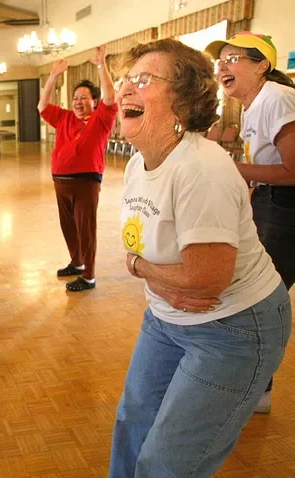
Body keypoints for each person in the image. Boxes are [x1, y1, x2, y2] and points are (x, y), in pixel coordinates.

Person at [111, 38, 291, 477]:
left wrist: (138, 267)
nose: (126, 89)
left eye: (144, 80)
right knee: (132, 426)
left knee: (168, 462)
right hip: (165, 317)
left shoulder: (200, 167)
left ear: (185, 100)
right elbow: (147, 251)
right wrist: (155, 275)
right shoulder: (138, 164)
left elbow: (205, 280)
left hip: (232, 328)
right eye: (126, 79)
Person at [206, 31, 295, 415]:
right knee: (253, 298)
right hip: (271, 204)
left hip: (287, 207)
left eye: (233, 58)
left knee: (254, 299)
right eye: (220, 61)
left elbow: (293, 171)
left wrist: (234, 168)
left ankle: (255, 390)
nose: (222, 67)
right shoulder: (254, 104)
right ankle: (256, 388)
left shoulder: (276, 98)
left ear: (262, 65)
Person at [37, 45, 118, 292]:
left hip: (86, 182)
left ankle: (89, 276)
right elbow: (42, 106)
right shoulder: (64, 117)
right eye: (75, 98)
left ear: (94, 101)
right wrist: (53, 75)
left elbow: (111, 97)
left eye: (84, 98)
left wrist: (101, 65)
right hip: (60, 181)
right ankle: (77, 262)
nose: (78, 102)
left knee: (86, 229)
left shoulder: (101, 119)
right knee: (69, 227)